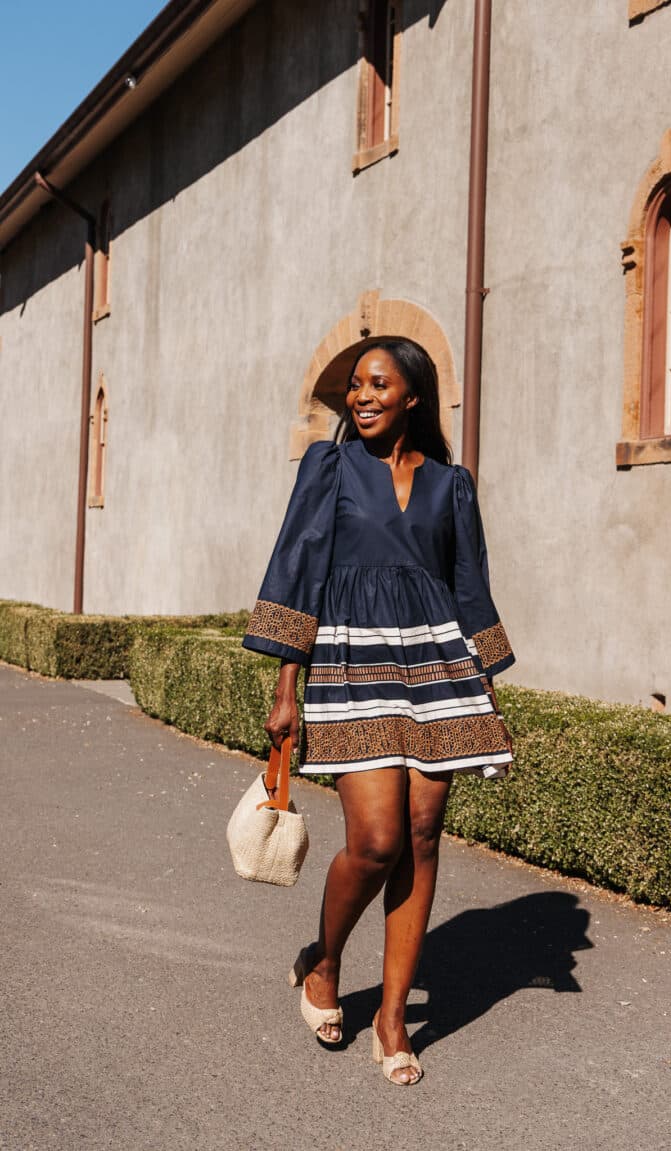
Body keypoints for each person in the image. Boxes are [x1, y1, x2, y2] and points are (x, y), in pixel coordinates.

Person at [242, 337, 515, 1085]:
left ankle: (393, 1017)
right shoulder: (329, 468)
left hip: (438, 667)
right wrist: (285, 687)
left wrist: (486, 676)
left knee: (424, 835)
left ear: (412, 397)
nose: (360, 396)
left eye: (377, 385)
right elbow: (298, 566)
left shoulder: (450, 483)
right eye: (355, 385)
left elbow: (469, 581)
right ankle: (323, 961)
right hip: (351, 662)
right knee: (376, 837)